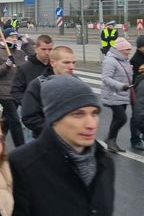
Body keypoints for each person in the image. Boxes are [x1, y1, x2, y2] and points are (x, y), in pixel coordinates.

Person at [9, 75, 114, 216]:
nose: (91, 124)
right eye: (78, 114)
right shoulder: (21, 165)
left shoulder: (104, 161)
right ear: (54, 119)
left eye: (94, 113)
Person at [0, 27, 33, 148]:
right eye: (11, 36)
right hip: (4, 93)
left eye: (15, 37)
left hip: (17, 92)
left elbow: (33, 58)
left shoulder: (19, 53)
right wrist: (6, 65)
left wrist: (26, 43)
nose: (14, 39)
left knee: (6, 121)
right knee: (15, 121)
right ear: (4, 38)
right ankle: (21, 150)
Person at [21, 46, 76, 138]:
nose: (71, 67)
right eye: (66, 62)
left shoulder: (77, 83)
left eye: (73, 62)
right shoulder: (38, 85)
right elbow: (29, 117)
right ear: (53, 63)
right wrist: (55, 130)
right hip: (47, 141)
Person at [101, 37, 134, 153]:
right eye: (127, 49)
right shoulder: (110, 60)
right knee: (121, 118)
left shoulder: (124, 59)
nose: (129, 51)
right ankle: (110, 139)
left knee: (116, 119)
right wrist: (120, 85)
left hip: (122, 94)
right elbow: (105, 78)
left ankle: (112, 142)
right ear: (119, 50)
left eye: (129, 49)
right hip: (113, 94)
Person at [11, 35, 53, 104]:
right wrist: (29, 103)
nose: (47, 53)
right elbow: (16, 91)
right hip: (31, 110)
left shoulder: (55, 66)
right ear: (36, 49)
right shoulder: (25, 67)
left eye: (50, 49)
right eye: (43, 49)